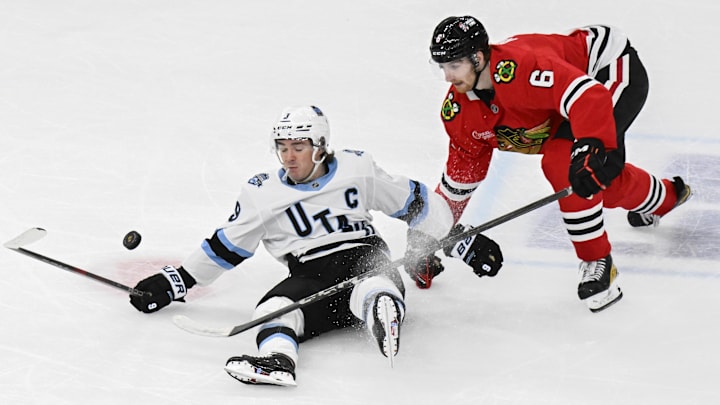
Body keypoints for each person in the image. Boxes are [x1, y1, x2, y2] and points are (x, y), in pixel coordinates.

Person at [128, 105, 503, 386]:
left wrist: (463, 241)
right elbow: (227, 246)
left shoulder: (358, 169)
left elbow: (416, 204)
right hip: (310, 275)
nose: (289, 156)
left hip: (363, 253)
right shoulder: (263, 193)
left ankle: (380, 310)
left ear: (321, 146)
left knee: (373, 279)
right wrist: (173, 281)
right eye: (283, 147)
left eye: (299, 146)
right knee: (273, 308)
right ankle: (279, 359)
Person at [427, 16, 692, 312]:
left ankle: (597, 260)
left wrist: (589, 145)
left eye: (454, 66)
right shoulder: (460, 112)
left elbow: (588, 96)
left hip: (606, 70)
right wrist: (427, 234)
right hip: (569, 102)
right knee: (592, 178)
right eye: (442, 67)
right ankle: (666, 198)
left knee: (566, 164)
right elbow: (459, 182)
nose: (447, 78)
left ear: (477, 58)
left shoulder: (520, 70)